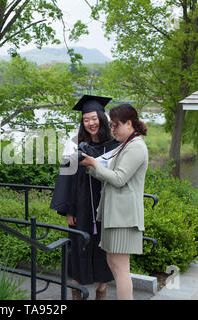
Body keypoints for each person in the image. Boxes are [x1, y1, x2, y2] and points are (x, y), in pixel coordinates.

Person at [50, 95, 120, 300]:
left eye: (94, 118)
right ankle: (77, 292)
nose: (90, 123)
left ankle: (102, 289)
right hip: (81, 206)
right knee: (79, 248)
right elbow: (66, 178)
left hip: (107, 205)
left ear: (102, 117)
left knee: (104, 249)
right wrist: (68, 209)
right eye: (86, 119)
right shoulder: (74, 143)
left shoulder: (114, 143)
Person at [79, 103, 148, 300]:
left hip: (124, 217)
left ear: (129, 123)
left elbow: (118, 179)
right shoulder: (126, 144)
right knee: (112, 262)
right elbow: (108, 173)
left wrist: (93, 164)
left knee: (120, 269)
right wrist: (90, 165)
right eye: (111, 125)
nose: (112, 129)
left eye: (116, 125)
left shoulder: (136, 147)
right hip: (115, 215)